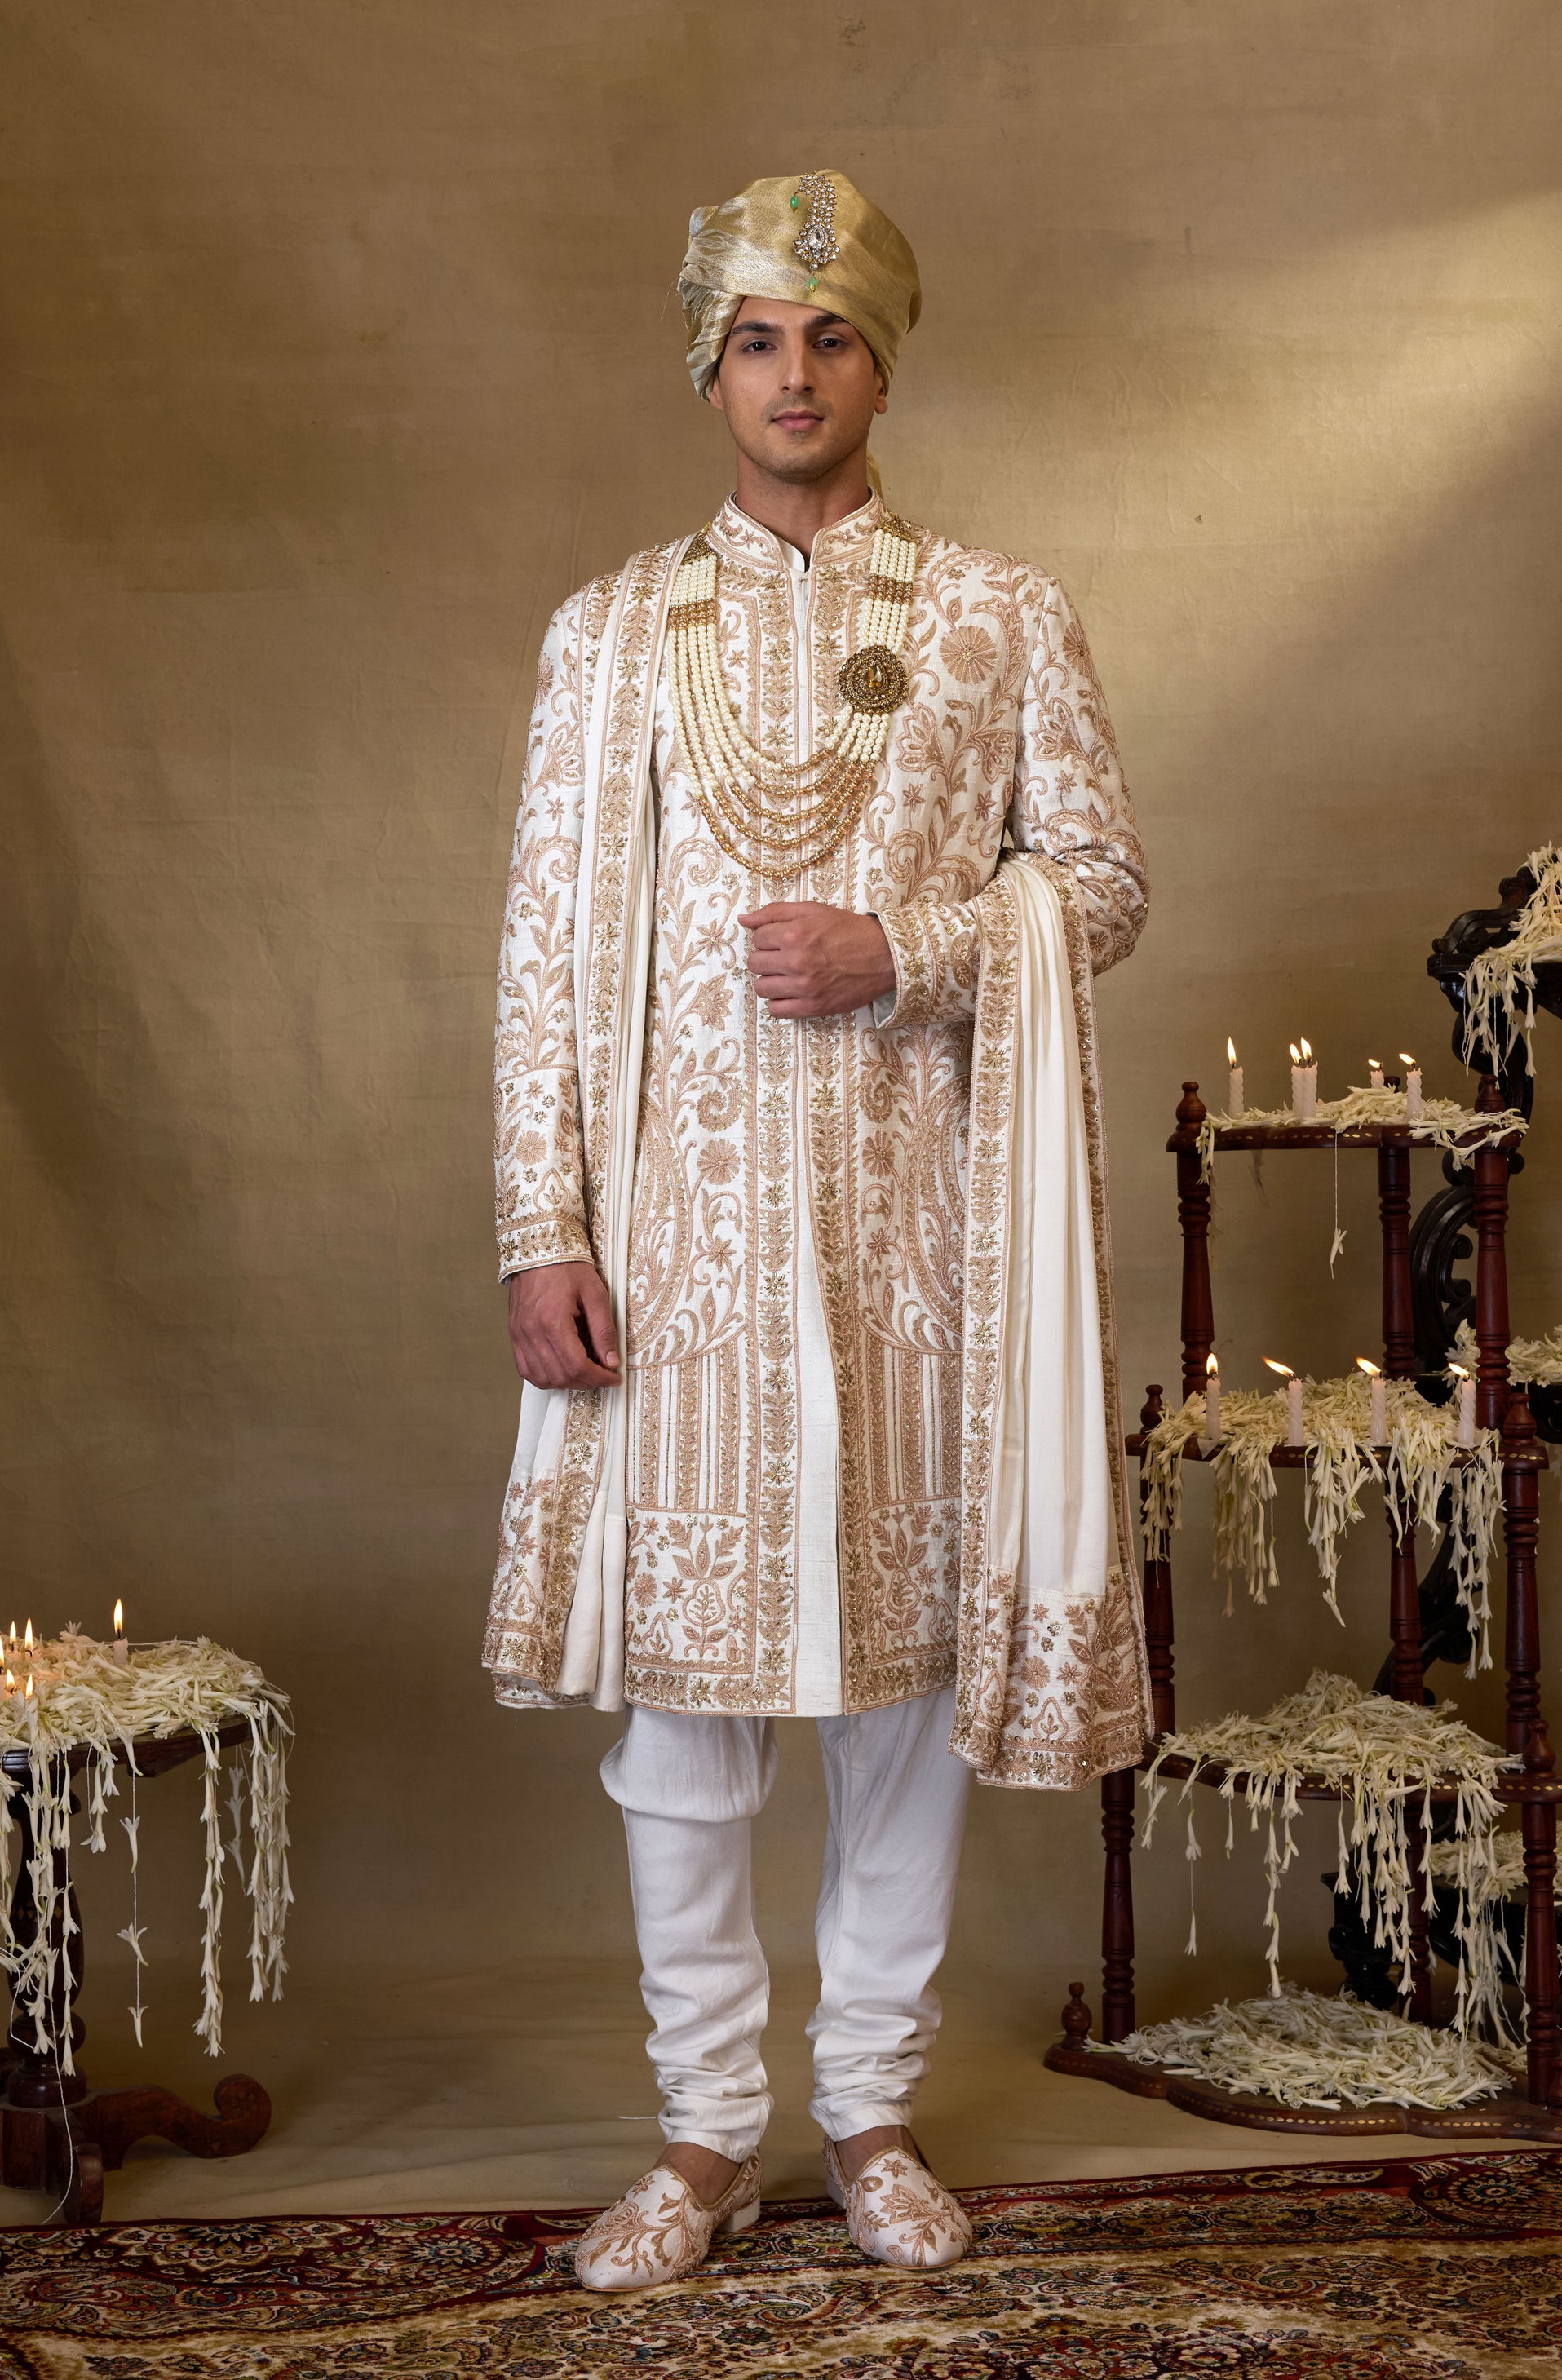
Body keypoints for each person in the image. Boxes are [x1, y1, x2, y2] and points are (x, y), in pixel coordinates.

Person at [485, 169, 1150, 2291]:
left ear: (882, 362)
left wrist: (915, 947)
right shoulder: (608, 634)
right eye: (757, 340)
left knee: (897, 1710)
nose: (794, 375)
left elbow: (1101, 884)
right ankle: (701, 2134)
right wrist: (540, 1227)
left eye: (830, 336)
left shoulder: (996, 616)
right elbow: (542, 953)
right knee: (685, 1727)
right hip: (672, 1252)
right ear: (710, 371)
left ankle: (866, 2114)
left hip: (916, 1252)